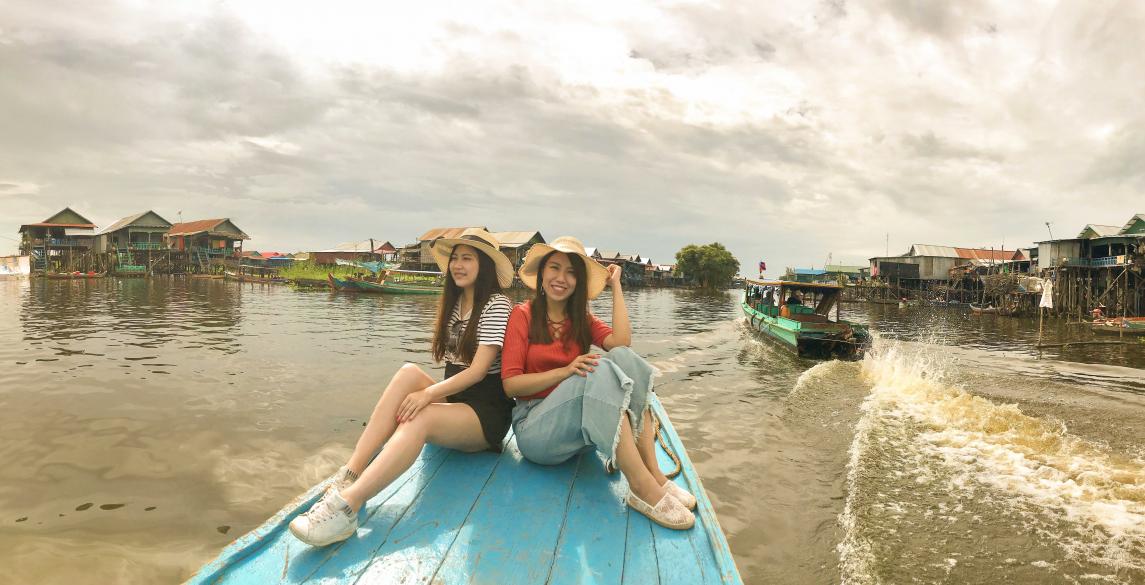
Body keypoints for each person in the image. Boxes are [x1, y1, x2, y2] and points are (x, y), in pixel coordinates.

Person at [288, 229, 516, 546]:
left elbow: (478, 372)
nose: (458, 265)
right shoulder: (456, 302)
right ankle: (351, 473)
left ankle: (347, 508)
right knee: (408, 372)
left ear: (486, 266)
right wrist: (427, 393)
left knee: (420, 415)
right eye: (455, 258)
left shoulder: (497, 305)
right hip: (457, 402)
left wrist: (428, 395)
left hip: (484, 416)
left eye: (468, 259)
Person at [501, 236, 696, 530]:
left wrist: (616, 286)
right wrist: (566, 371)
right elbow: (511, 385)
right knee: (597, 368)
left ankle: (653, 474)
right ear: (542, 274)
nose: (561, 278)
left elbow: (621, 343)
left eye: (571, 273)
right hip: (536, 430)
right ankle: (642, 489)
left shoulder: (580, 318)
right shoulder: (522, 315)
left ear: (579, 282)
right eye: (554, 268)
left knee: (623, 359)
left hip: (578, 433)